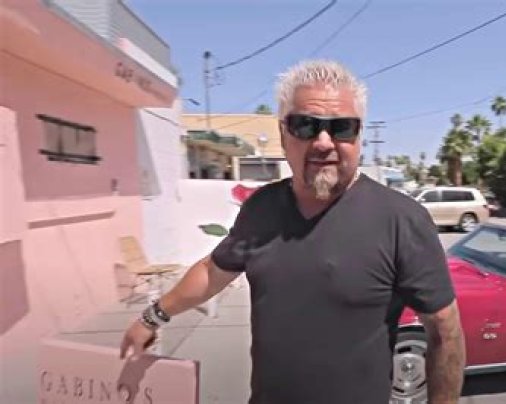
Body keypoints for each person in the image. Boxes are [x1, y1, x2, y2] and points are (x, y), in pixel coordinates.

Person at [120, 60, 465, 403]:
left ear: (359, 136)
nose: (323, 142)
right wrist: (151, 318)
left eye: (342, 127)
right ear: (284, 134)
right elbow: (213, 271)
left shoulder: (401, 219)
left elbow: (445, 331)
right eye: (305, 125)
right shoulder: (261, 208)